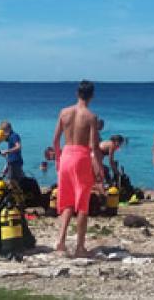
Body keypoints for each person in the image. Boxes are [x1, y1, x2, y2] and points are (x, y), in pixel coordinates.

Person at [52, 80, 103, 258]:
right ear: (92, 95)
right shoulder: (91, 117)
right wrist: (99, 169)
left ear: (77, 93)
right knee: (82, 204)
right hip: (81, 157)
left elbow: (56, 140)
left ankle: (61, 240)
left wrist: (58, 160)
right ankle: (80, 247)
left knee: (67, 201)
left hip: (66, 155)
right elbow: (93, 146)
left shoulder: (64, 112)